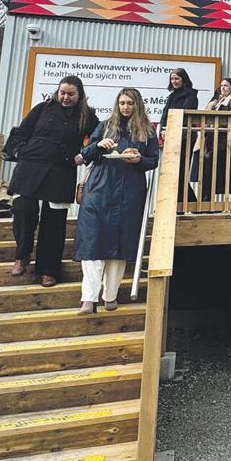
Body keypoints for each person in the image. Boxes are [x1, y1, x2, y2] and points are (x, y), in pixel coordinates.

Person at [73, 88, 160, 314]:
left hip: (129, 192)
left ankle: (110, 296)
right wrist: (97, 146)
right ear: (117, 104)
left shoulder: (147, 130)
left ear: (137, 104)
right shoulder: (104, 126)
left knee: (120, 245)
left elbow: (153, 160)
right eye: (122, 103)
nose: (125, 107)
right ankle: (88, 299)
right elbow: (85, 154)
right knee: (92, 243)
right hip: (99, 190)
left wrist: (138, 159)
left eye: (130, 103)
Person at [8, 76, 96, 287]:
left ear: (79, 95)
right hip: (30, 166)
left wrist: (83, 155)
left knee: (54, 222)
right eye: (62, 93)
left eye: (71, 94)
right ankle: (22, 255)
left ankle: (48, 270)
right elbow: (21, 132)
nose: (65, 97)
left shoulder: (87, 116)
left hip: (61, 171)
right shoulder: (42, 108)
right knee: (23, 210)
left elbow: (97, 139)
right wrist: (21, 150)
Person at [196, 77, 231, 201]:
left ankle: (206, 200)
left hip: (227, 144)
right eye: (222, 86)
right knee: (214, 172)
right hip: (217, 143)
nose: (223, 88)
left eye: (226, 85)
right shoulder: (220, 101)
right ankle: (206, 200)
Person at [158, 67, 198, 202]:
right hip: (171, 137)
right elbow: (165, 115)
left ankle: (191, 204)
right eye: (172, 79)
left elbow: (185, 114)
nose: (174, 81)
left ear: (183, 79)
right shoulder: (172, 96)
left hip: (185, 137)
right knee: (173, 173)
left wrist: (169, 128)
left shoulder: (191, 95)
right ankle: (182, 205)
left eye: (177, 78)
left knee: (180, 173)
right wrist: (163, 129)